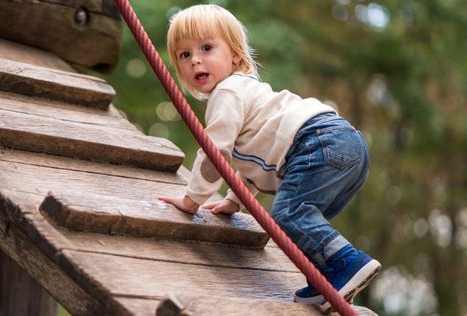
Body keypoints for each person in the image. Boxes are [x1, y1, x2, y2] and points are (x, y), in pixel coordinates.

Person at [156, 4, 381, 311]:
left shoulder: (227, 93)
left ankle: (347, 262)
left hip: (316, 142)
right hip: (347, 146)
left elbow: (215, 152)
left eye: (206, 48)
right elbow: (250, 158)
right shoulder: (247, 91)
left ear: (235, 55)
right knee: (302, 219)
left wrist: (191, 200)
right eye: (184, 54)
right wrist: (235, 200)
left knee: (290, 215)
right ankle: (326, 277)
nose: (195, 59)